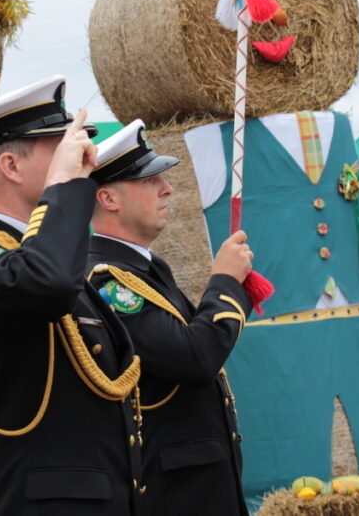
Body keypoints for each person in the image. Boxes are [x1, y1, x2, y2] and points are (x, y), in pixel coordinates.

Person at [0, 75, 143, 516]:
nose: (83, 159)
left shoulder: (34, 255)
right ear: (10, 166)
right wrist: (65, 189)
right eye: (59, 149)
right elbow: (49, 284)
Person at [86, 120, 261, 515]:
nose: (167, 188)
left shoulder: (145, 268)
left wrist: (230, 286)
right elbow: (194, 358)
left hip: (197, 482)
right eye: (149, 181)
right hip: (172, 491)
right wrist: (224, 282)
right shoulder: (108, 280)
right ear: (109, 199)